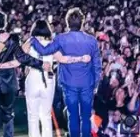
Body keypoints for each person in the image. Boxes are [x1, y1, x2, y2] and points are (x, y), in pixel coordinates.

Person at [30, 8, 102, 137]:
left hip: (69, 83)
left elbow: (44, 51)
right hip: (87, 84)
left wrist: (33, 40)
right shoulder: (92, 41)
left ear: (67, 23)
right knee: (86, 117)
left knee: (72, 116)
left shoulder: (61, 39)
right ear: (82, 22)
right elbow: (97, 66)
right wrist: (95, 84)